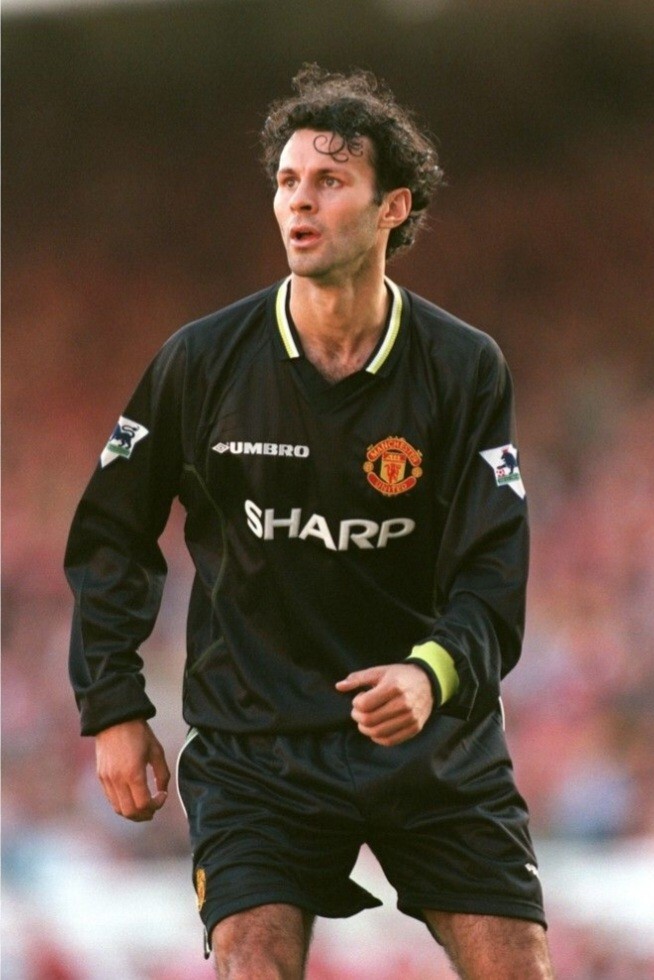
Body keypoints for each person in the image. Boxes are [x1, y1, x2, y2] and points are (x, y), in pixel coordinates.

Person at [65, 64, 555, 979]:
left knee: (517, 963)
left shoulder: (462, 368)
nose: (299, 199)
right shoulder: (203, 361)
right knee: (251, 956)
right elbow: (110, 536)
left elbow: (494, 572)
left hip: (430, 746)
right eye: (288, 180)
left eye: (330, 180)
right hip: (257, 751)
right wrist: (114, 708)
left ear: (392, 208)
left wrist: (431, 674)